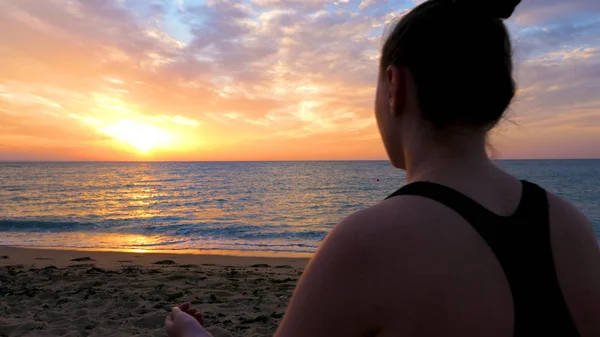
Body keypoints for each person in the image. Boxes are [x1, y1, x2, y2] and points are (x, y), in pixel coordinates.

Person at [165, 0, 600, 336]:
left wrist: (192, 333)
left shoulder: (368, 242)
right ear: (500, 96)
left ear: (394, 87)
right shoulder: (570, 225)